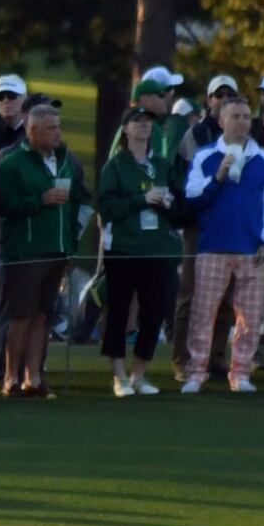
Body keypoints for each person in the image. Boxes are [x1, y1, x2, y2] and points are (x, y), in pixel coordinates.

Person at [175, 92, 264, 396]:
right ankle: (196, 372)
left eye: (247, 117)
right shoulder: (206, 156)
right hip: (213, 247)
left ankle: (241, 372)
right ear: (221, 121)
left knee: (250, 315)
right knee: (203, 312)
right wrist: (217, 177)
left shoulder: (263, 159)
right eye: (236, 116)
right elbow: (192, 198)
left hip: (251, 249)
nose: (242, 122)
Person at [0, 98, 84, 399]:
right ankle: (10, 376)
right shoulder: (12, 163)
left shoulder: (66, 160)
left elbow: (75, 206)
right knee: (21, 315)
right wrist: (39, 200)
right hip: (25, 251)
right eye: (51, 128)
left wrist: (70, 245)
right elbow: (2, 206)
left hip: (57, 250)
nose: (58, 133)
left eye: (58, 127)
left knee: (44, 315)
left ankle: (35, 375)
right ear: (32, 130)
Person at [96, 92, 184, 395]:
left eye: (148, 121)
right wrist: (140, 200)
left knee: (153, 311)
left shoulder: (161, 164)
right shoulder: (115, 166)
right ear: (126, 129)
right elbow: (107, 207)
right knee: (119, 311)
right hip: (123, 248)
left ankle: (138, 373)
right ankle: (118, 375)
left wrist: (168, 203)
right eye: (138, 121)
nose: (144, 126)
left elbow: (179, 205)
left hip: (157, 248)